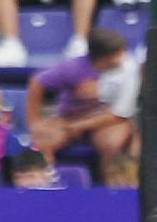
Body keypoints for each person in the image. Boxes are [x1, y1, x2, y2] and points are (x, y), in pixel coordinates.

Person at [26, 28, 139, 179]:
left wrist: (79, 126)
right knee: (41, 141)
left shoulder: (129, 68)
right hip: (69, 117)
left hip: (107, 120)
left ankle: (111, 187)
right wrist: (34, 122)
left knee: (112, 142)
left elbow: (121, 113)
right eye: (118, 54)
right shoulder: (72, 68)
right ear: (103, 58)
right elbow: (37, 82)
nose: (122, 57)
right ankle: (45, 185)